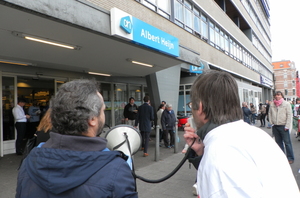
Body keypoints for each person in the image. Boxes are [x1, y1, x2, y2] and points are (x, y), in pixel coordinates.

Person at [183, 71, 299, 198]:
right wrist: (201, 152)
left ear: (200, 107)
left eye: (191, 106)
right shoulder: (256, 134)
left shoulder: (219, 154)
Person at [16, 79, 137, 198]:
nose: (104, 115)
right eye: (103, 110)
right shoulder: (116, 170)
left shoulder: (28, 162)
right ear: (92, 119)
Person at [268, 91, 295, 164]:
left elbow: (289, 115)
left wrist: (287, 126)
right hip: (275, 126)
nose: (277, 96)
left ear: (282, 96)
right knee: (278, 143)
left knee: (287, 143)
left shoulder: (286, 104)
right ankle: (282, 157)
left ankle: (290, 158)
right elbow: (269, 113)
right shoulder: (272, 104)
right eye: (276, 95)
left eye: (279, 95)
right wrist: (271, 123)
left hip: (283, 126)